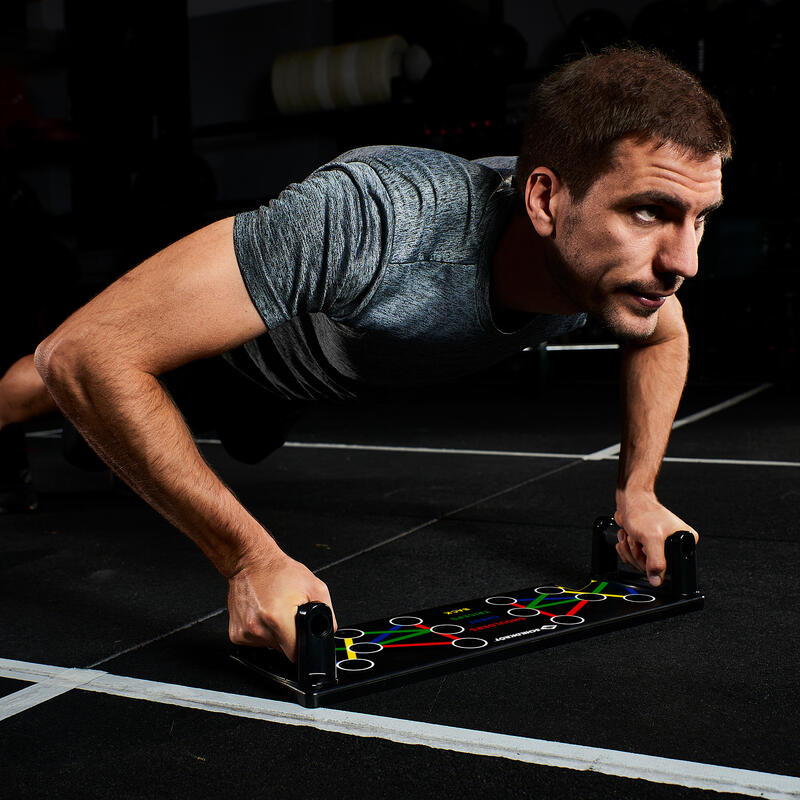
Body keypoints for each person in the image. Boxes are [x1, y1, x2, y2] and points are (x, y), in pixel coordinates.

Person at [4, 46, 730, 661]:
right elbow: (85, 351)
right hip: (226, 347)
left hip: (284, 391)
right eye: (650, 211)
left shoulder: (614, 270)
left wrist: (638, 491)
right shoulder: (378, 218)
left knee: (228, 431)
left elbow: (666, 337)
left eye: (699, 219)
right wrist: (250, 561)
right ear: (544, 201)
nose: (685, 261)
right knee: (39, 381)